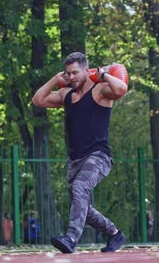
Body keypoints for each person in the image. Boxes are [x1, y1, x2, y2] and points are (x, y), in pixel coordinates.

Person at [32, 52, 128, 254]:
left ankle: (71, 238)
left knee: (80, 188)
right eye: (68, 73)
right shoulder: (67, 95)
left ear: (86, 70)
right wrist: (55, 80)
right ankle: (114, 233)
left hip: (99, 156)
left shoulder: (100, 90)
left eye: (75, 72)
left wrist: (102, 75)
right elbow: (38, 100)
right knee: (81, 203)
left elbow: (121, 88)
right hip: (75, 159)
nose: (72, 77)